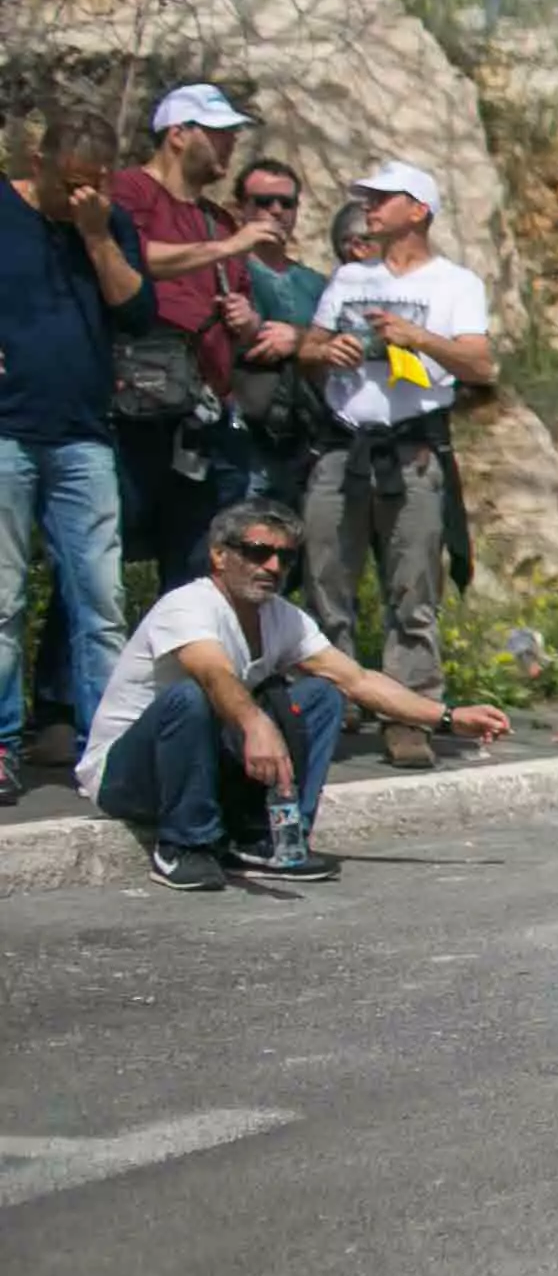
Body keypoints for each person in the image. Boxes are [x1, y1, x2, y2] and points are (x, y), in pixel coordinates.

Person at [82, 496, 508, 885]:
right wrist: (256, 724)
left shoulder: (281, 617)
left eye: (284, 557)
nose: (271, 566)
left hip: (202, 766)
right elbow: (213, 674)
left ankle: (274, 839)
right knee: (193, 696)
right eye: (257, 552)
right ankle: (183, 844)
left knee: (323, 694)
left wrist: (449, 717)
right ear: (219, 555)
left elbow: (358, 680)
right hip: (128, 777)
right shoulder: (188, 606)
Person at [297, 160, 492, 766]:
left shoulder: (455, 285)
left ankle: (408, 714)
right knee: (325, 578)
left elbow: (481, 366)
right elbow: (307, 347)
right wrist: (326, 349)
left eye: (384, 199)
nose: (370, 208)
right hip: (343, 444)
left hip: (411, 451)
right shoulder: (350, 278)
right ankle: (330, 700)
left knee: (412, 588)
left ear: (419, 210)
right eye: (368, 198)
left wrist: (419, 339)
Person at [3, 102, 153, 800]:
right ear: (39, 166)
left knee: (101, 600)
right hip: (8, 433)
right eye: (73, 183)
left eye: (99, 183)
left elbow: (136, 311)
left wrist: (97, 237)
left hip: (84, 438)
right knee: (1, 600)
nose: (85, 195)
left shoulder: (107, 226)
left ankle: (110, 749)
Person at [108, 82, 279, 587]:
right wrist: (229, 247)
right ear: (179, 134)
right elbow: (130, 258)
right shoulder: (129, 191)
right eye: (219, 133)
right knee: (99, 569)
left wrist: (246, 321)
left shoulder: (218, 219)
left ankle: (182, 668)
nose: (230, 145)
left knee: (193, 577)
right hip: (134, 416)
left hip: (202, 421)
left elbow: (244, 319)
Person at [224, 158, 335, 558]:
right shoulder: (224, 269)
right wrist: (253, 329)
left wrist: (299, 338)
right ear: (240, 208)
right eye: (263, 201)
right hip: (242, 435)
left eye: (285, 203)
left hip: (304, 438)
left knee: (297, 559)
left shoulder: (315, 284)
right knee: (238, 550)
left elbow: (336, 351)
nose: (275, 211)